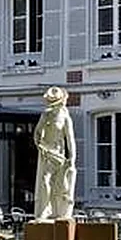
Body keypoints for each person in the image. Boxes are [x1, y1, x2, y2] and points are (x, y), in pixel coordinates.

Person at [32, 87, 76, 221]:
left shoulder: (65, 117)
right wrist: (39, 145)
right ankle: (45, 210)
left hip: (60, 156)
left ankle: (59, 211)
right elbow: (37, 133)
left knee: (60, 186)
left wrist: (72, 158)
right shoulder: (46, 115)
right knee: (45, 182)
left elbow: (70, 139)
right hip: (47, 154)